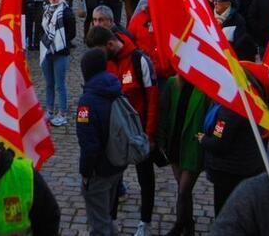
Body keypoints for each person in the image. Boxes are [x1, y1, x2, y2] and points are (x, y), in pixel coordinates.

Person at [85, 26, 158, 236]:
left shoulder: (139, 60)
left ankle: (145, 222)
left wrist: (150, 134)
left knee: (146, 178)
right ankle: (111, 220)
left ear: (109, 44)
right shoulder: (104, 62)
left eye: (100, 51)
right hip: (114, 134)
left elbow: (152, 98)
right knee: (113, 179)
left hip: (139, 132)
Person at [199, 63, 269, 215]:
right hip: (250, 167)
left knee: (224, 212)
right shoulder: (254, 101)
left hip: (229, 172)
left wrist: (203, 139)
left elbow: (218, 142)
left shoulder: (230, 110)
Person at [76, 48, 126, 236]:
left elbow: (89, 144)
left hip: (99, 170)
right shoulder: (116, 88)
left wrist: (86, 173)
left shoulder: (87, 102)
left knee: (99, 224)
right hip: (116, 164)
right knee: (106, 217)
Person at [159, 75, 209, 236]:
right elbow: (164, 112)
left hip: (193, 146)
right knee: (183, 188)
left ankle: (181, 224)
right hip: (174, 144)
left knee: (184, 189)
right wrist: (161, 139)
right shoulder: (173, 83)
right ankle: (188, 224)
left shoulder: (206, 87)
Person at [40, 0, 76, 126]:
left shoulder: (66, 12)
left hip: (61, 52)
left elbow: (72, 33)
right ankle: (49, 110)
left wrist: (59, 42)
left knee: (60, 85)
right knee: (49, 83)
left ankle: (62, 113)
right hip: (47, 50)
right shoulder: (46, 10)